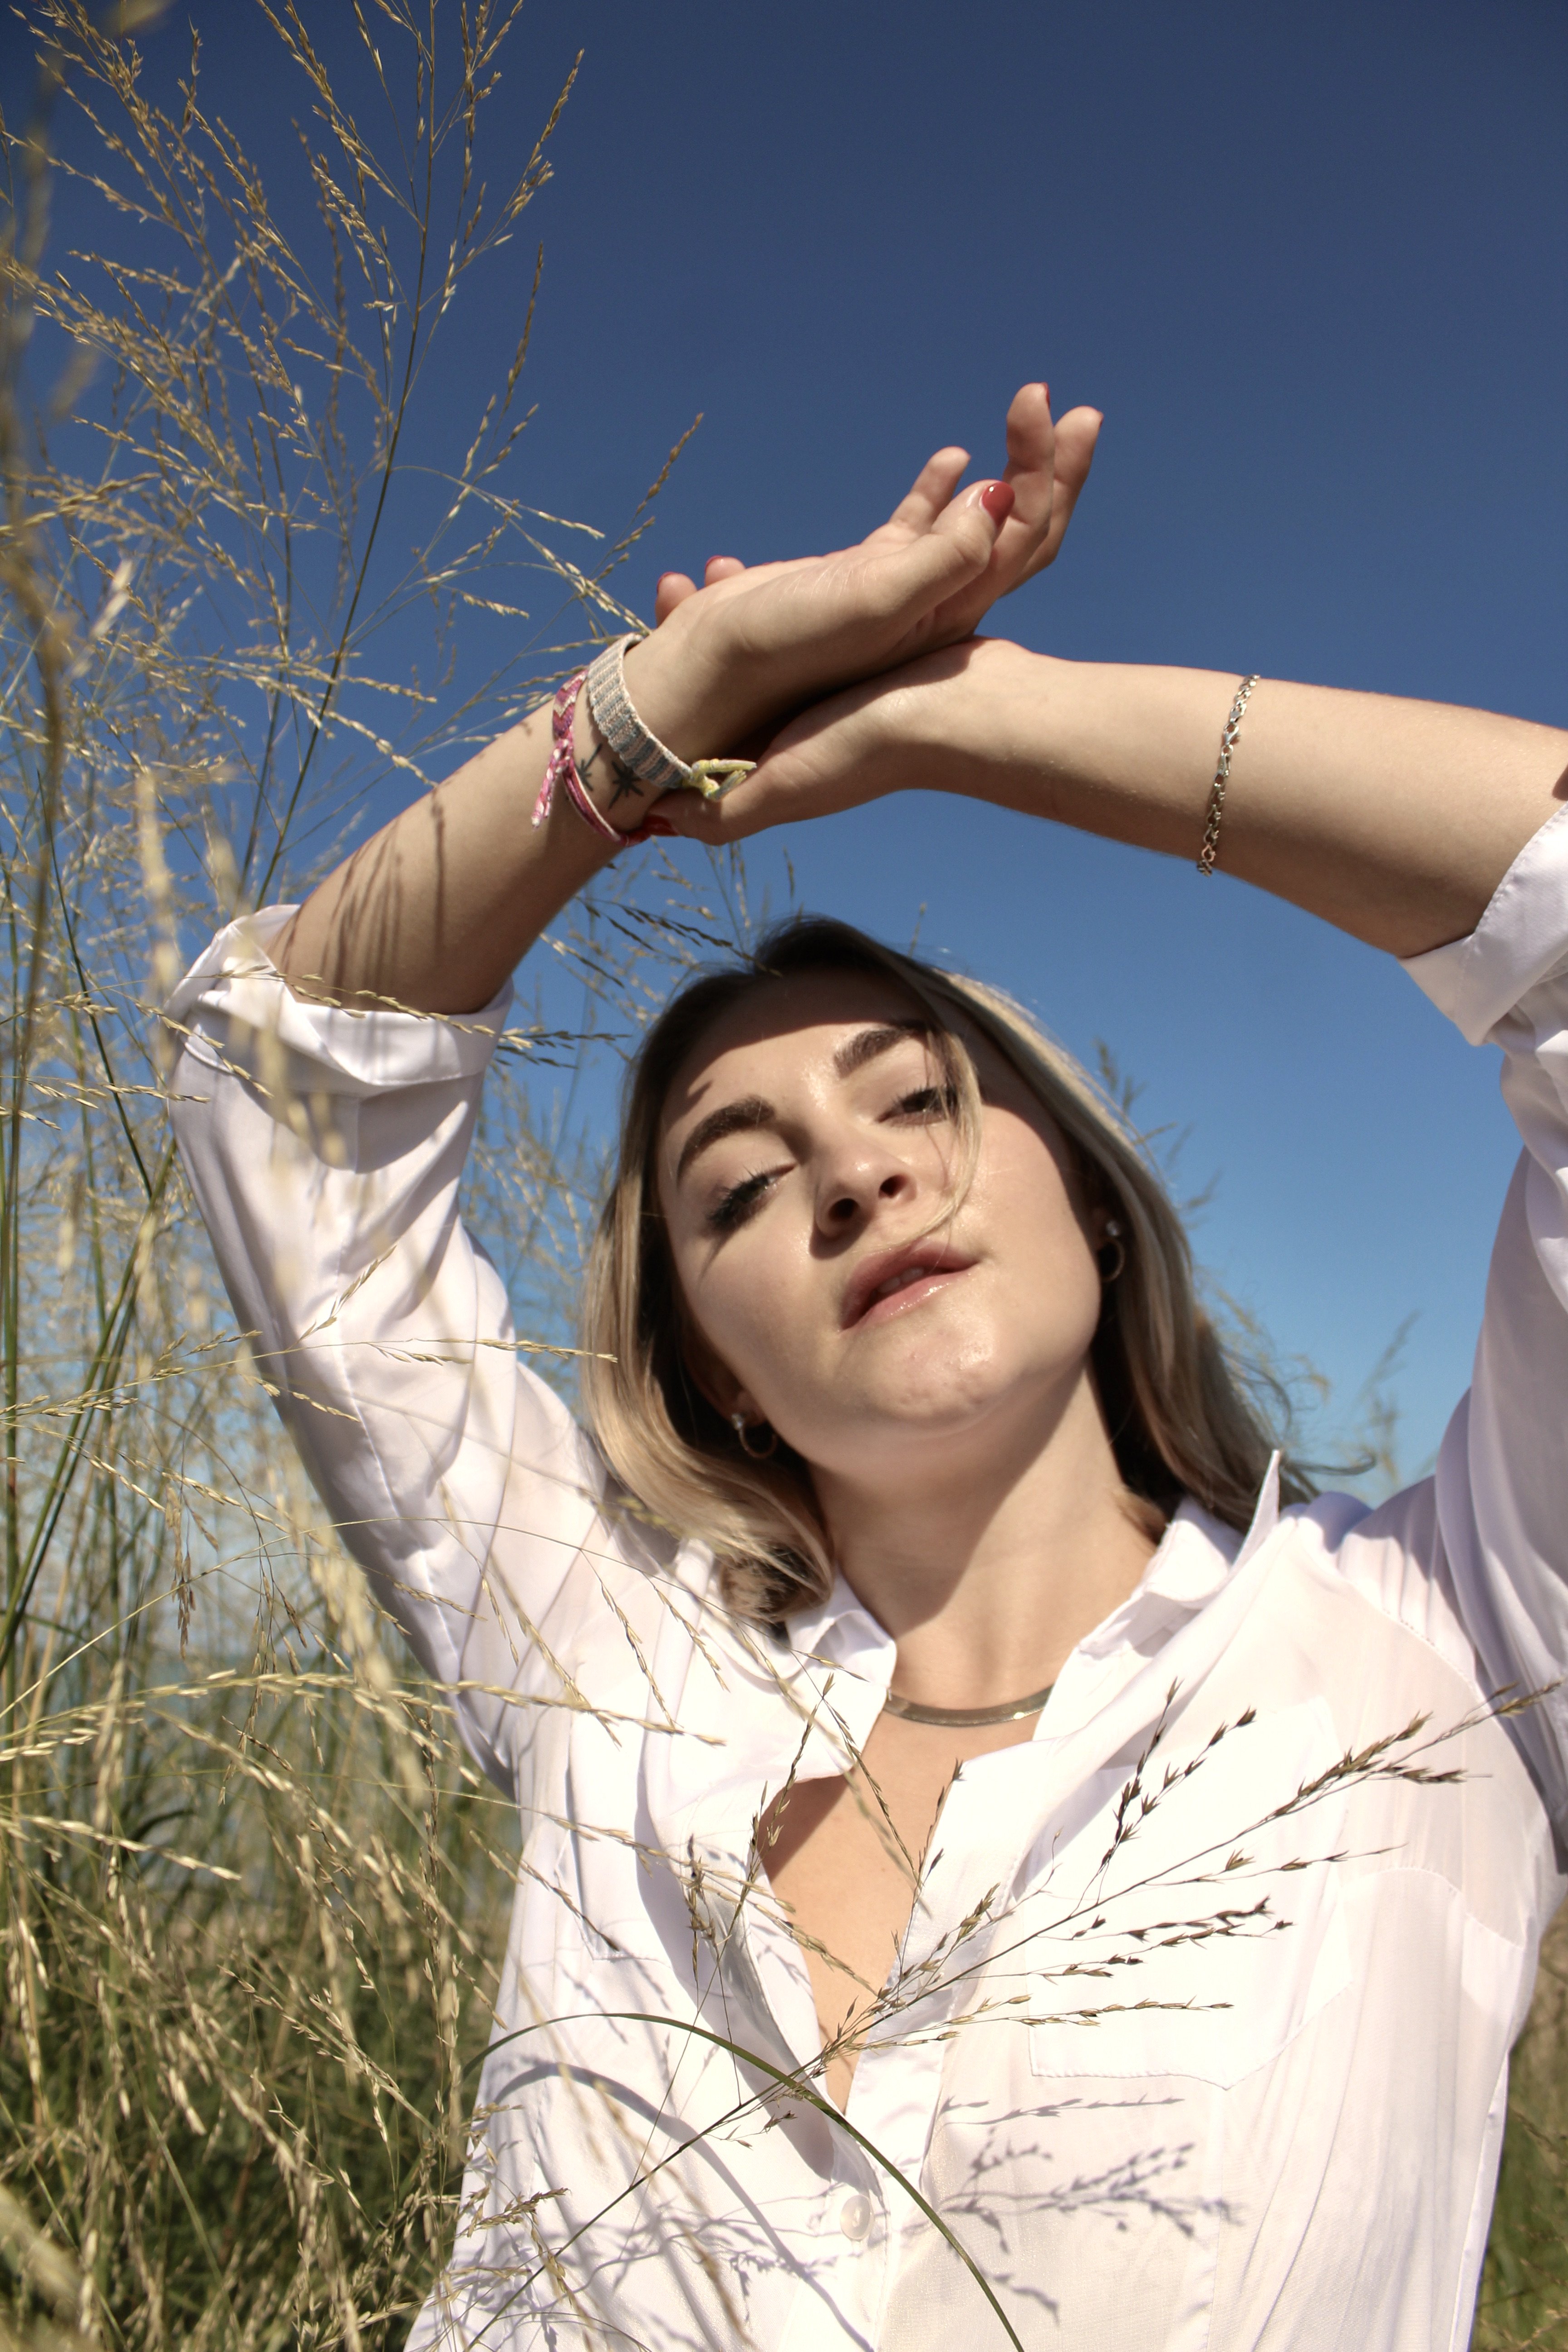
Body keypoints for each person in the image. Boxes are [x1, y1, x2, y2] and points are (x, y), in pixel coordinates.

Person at [164, 380, 1568, 2352]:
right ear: (714, 1371)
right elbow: (291, 1087)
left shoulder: (1455, 1651)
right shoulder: (612, 1663)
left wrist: (964, 724)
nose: (850, 1171)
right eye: (736, 1190)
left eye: (922, 1096)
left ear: (1090, 1198)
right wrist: (668, 696)